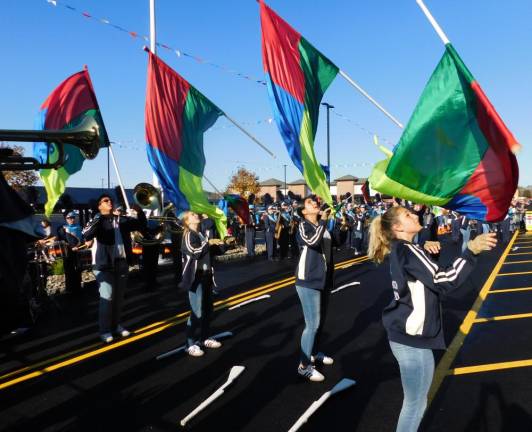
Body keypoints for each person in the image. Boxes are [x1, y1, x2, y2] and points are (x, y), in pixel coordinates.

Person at [367, 205, 496, 432]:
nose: (414, 214)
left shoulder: (402, 248)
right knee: (415, 404)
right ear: (397, 227)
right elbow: (443, 280)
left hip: (406, 336)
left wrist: (428, 252)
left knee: (416, 401)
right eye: (407, 215)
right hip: (411, 340)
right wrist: (471, 251)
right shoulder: (409, 250)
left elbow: (421, 276)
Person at [82, 194, 147, 343]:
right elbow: (86, 233)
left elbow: (141, 224)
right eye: (105, 201)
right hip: (104, 265)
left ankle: (116, 325)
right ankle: (104, 330)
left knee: (118, 298)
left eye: (110, 200)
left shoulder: (122, 220)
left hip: (121, 263)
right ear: (99, 206)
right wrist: (100, 217)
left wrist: (139, 211)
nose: (109, 201)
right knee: (107, 297)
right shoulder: (98, 220)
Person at [294, 196, 335, 382]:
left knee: (321, 322)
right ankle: (304, 365)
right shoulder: (303, 226)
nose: (316, 204)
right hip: (308, 279)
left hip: (323, 279)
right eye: (311, 203)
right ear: (304, 211)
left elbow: (335, 243)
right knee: (312, 324)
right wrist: (324, 221)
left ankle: (314, 352)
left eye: (315, 202)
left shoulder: (322, 226)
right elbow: (312, 242)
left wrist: (339, 224)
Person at [180, 211, 226, 357]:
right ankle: (189, 344)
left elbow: (211, 252)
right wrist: (208, 242)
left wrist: (225, 244)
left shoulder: (200, 234)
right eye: (193, 215)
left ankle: (205, 337)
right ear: (187, 221)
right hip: (196, 278)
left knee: (208, 310)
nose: (196, 215)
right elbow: (195, 252)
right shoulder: (188, 235)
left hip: (206, 276)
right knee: (196, 312)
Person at [56, 211, 83, 293]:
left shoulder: (80, 227)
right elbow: (61, 240)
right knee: (69, 271)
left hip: (78, 251)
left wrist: (80, 245)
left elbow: (83, 239)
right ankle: (69, 289)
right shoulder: (62, 229)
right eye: (69, 218)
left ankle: (78, 288)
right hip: (68, 253)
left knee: (78, 270)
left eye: (73, 218)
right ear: (66, 219)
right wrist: (70, 247)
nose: (71, 219)